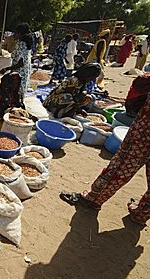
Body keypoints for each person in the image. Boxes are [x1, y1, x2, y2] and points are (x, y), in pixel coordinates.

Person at [60, 81, 150, 226]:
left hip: (145, 134)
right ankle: (142, 213)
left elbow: (140, 85)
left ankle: (93, 199)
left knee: (122, 166)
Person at [0, 23, 33, 94]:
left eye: (16, 33)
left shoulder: (21, 44)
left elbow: (20, 63)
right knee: (19, 94)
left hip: (19, 73)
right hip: (24, 73)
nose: (14, 35)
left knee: (16, 93)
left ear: (20, 34)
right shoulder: (26, 44)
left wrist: (6, 69)